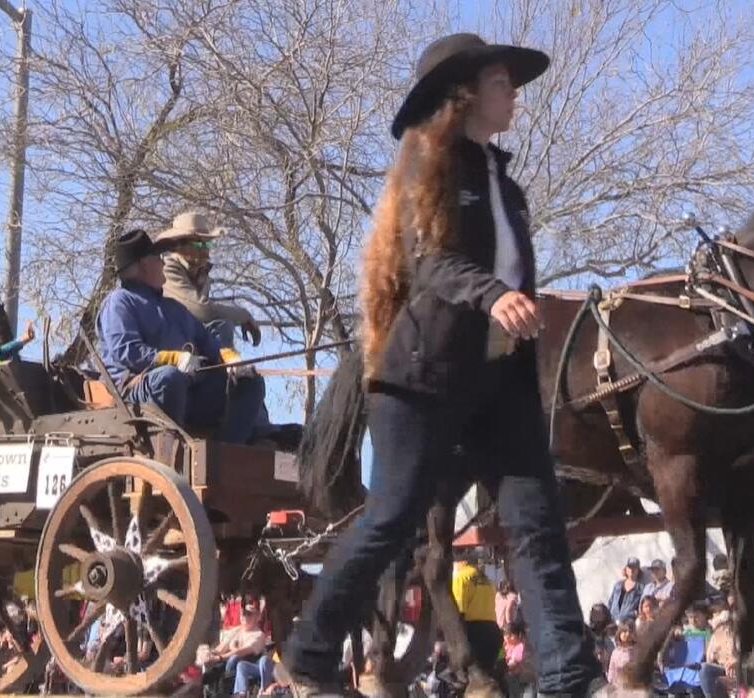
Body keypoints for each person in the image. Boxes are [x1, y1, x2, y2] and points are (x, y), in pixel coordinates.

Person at [283, 33, 602, 697]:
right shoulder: (430, 164)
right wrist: (496, 296)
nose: (513, 93)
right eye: (499, 81)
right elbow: (431, 261)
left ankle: (569, 678)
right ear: (462, 95)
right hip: (421, 376)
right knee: (392, 517)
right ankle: (310, 655)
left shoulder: (504, 186)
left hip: (499, 383)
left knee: (538, 523)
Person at [96, 229, 266, 444]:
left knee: (250, 383)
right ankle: (171, 448)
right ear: (144, 265)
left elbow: (209, 342)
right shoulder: (119, 302)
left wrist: (232, 360)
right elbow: (126, 351)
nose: (163, 262)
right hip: (136, 394)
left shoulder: (174, 308)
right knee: (170, 377)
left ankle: (225, 452)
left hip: (189, 391)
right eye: (158, 258)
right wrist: (175, 359)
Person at [156, 211, 261, 347]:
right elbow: (202, 310)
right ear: (179, 246)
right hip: (168, 344)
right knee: (221, 324)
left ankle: (226, 364)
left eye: (208, 244)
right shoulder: (168, 268)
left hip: (192, 337)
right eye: (199, 245)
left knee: (223, 326)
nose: (206, 250)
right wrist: (244, 316)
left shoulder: (202, 273)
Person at [451, 556, 501, 672]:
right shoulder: (487, 580)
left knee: (471, 676)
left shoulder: (461, 577)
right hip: (492, 630)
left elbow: (458, 611)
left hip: (473, 632)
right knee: (488, 673)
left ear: (460, 562)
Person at [698, 597, 737, 698]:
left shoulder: (736, 625)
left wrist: (736, 659)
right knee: (705, 669)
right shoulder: (713, 634)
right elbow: (709, 658)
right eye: (713, 613)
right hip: (724, 669)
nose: (714, 616)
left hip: (741, 667)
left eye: (717, 612)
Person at [607, 558, 643, 624]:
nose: (632, 570)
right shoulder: (618, 585)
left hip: (627, 624)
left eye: (635, 568)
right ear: (626, 569)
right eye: (630, 567)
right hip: (612, 621)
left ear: (638, 570)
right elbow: (610, 602)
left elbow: (640, 609)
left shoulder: (640, 588)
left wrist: (630, 616)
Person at [605, 624, 635, 689]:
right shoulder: (615, 652)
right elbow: (612, 669)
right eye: (624, 632)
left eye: (629, 632)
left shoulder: (635, 651)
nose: (627, 634)